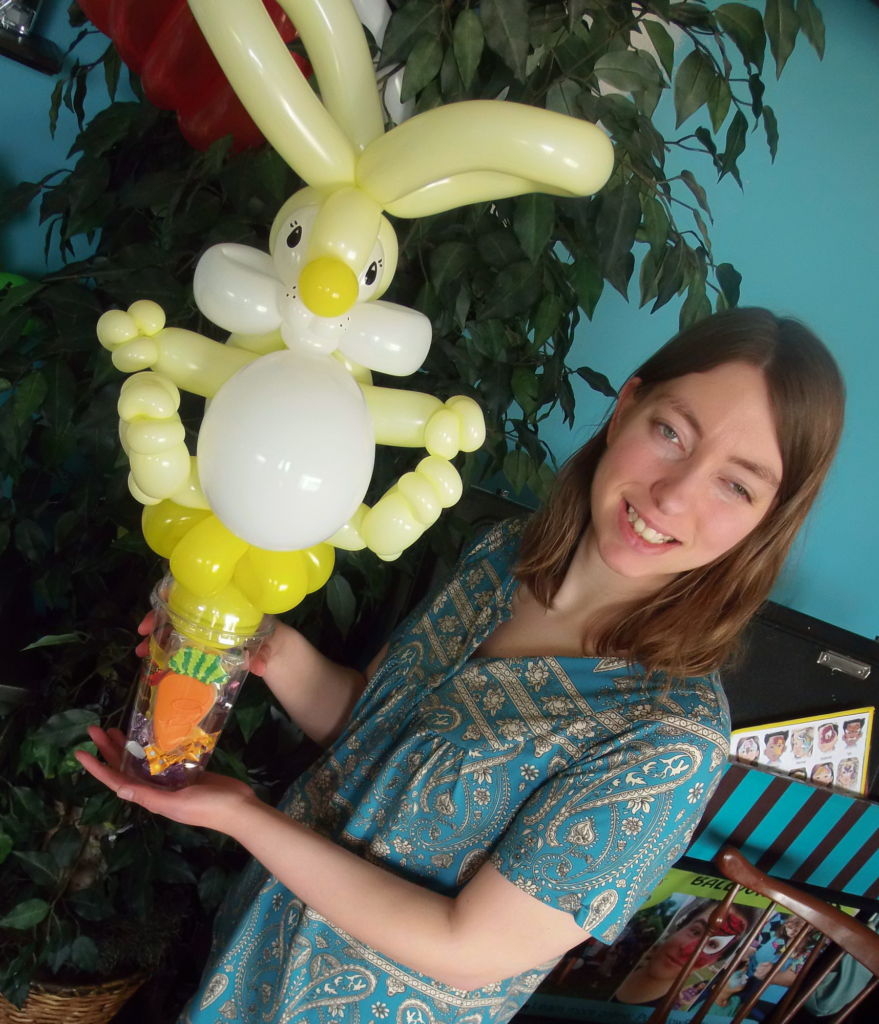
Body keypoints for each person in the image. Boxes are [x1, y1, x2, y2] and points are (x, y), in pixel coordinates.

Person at [76, 307, 845, 1024]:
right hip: (251, 961)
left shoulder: (667, 738)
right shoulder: (499, 558)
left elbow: (465, 949)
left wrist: (240, 815)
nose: (674, 496)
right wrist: (265, 645)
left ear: (765, 521)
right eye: (671, 432)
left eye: (735, 484)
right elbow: (372, 733)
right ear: (625, 408)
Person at [612, 897, 759, 1008]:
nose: (688, 950)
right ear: (680, 927)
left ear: (716, 960)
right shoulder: (614, 968)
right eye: (695, 932)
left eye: (712, 945)